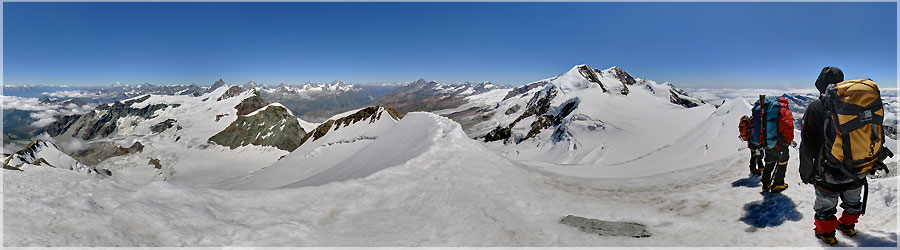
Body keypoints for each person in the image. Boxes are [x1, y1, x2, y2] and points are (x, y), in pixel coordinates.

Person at [798, 66, 892, 245]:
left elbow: (808, 143)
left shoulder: (815, 107)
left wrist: (806, 171)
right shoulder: (856, 105)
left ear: (819, 84)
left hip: (829, 170)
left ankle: (826, 234)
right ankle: (848, 227)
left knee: (826, 206)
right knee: (852, 202)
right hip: (859, 167)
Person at [751, 95, 794, 193]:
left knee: (769, 163)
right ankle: (777, 184)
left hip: (768, 143)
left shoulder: (769, 111)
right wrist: (788, 141)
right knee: (782, 164)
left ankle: (765, 184)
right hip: (780, 145)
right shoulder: (784, 112)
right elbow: (788, 127)